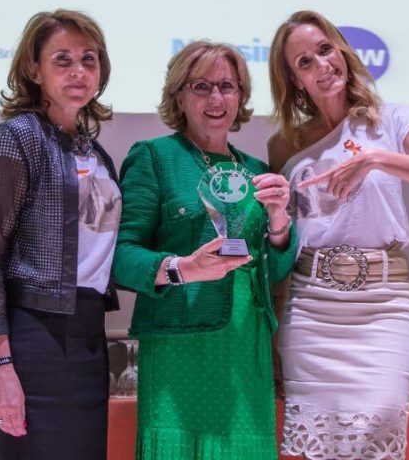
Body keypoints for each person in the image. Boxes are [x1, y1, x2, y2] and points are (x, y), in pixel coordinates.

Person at [267, 11, 409, 460]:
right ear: (294, 80)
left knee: (377, 431)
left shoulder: (393, 120)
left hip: (383, 305)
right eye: (304, 62)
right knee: (320, 446)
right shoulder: (284, 144)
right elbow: (284, 231)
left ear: (342, 51)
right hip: (311, 307)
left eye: (325, 49)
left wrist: (377, 159)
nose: (321, 65)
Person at [112, 40, 297, 460]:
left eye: (227, 86)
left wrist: (280, 220)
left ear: (241, 96)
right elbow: (122, 257)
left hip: (244, 339)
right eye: (201, 86)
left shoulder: (257, 172)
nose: (216, 98)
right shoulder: (155, 158)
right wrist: (182, 268)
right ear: (179, 95)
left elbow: (276, 267)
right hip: (180, 340)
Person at [0, 9, 121, 460]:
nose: (79, 71)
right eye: (63, 59)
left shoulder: (97, 154)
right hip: (35, 339)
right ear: (34, 70)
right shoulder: (15, 139)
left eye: (88, 59)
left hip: (90, 335)